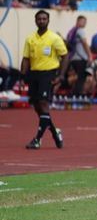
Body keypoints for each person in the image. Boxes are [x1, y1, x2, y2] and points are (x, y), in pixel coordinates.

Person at [21, 10, 69, 149]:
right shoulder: (30, 39)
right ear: (35, 21)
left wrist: (60, 75)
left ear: (48, 21)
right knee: (38, 108)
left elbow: (65, 56)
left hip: (48, 74)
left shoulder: (54, 38)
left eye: (44, 19)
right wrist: (23, 74)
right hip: (34, 74)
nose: (42, 21)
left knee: (43, 103)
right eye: (39, 19)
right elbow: (26, 58)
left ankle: (37, 139)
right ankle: (55, 132)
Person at [65, 15, 92, 96]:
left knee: (77, 77)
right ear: (78, 21)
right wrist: (89, 55)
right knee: (81, 78)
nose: (85, 24)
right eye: (83, 21)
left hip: (72, 58)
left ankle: (74, 93)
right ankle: (77, 95)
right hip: (80, 58)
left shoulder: (70, 31)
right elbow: (84, 43)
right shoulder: (80, 30)